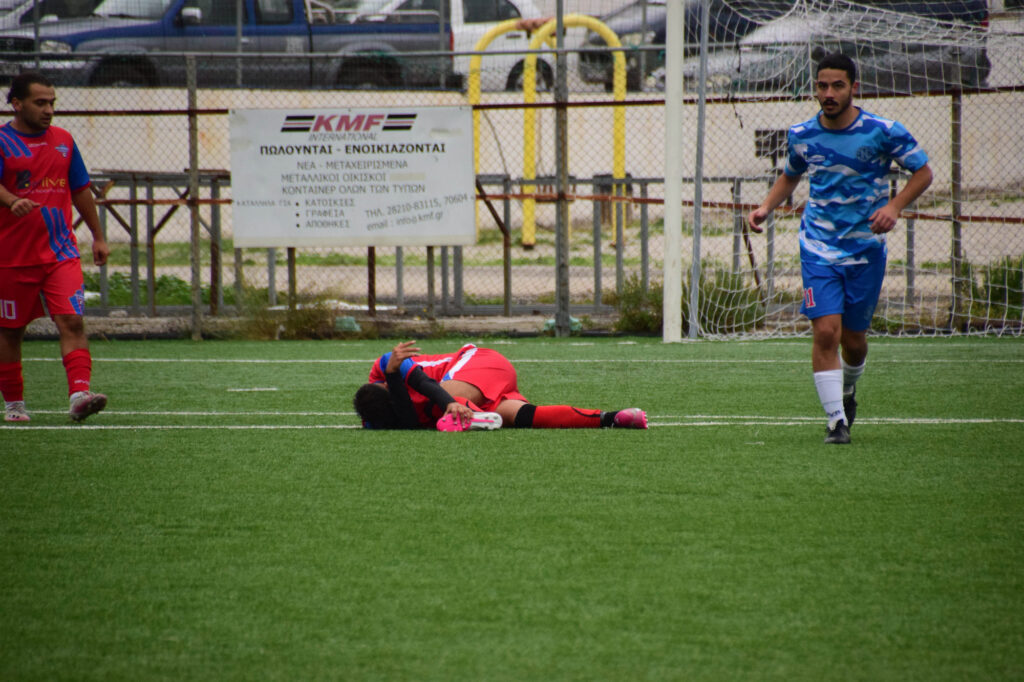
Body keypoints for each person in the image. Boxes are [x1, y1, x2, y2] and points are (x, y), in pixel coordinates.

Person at [747, 53, 933, 445]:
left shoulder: (883, 131)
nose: (828, 93)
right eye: (822, 86)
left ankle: (847, 391)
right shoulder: (802, 134)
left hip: (865, 251)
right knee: (826, 332)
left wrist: (894, 207)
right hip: (818, 247)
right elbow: (790, 175)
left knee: (854, 341)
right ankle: (836, 422)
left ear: (853, 88)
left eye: (837, 86)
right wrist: (766, 207)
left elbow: (923, 172)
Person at [0, 71, 109, 423]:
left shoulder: (63, 140)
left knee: (72, 321)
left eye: (52, 103)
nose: (49, 110)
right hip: (11, 257)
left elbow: (80, 188)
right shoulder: (3, 142)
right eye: (40, 103)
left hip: (61, 253)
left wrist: (98, 236)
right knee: (9, 330)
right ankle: (14, 405)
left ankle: (79, 395)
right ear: (17, 104)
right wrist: (11, 200)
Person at [353, 340, 648, 431]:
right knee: (525, 417)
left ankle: (469, 416)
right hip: (485, 394)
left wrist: (449, 403)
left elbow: (423, 382)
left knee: (440, 400)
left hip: (479, 364)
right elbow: (406, 421)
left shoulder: (385, 365)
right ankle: (613, 418)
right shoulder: (379, 416)